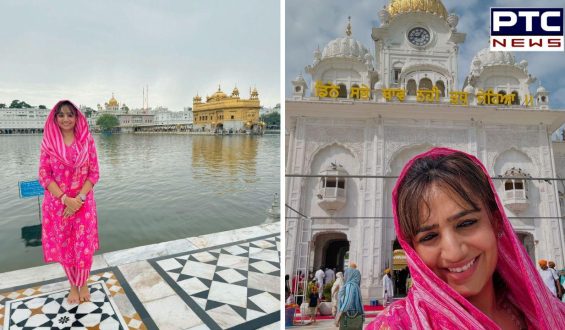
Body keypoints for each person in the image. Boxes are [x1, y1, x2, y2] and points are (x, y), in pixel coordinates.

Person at [367, 147, 565, 329]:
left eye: (466, 223)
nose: (454, 252)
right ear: (412, 249)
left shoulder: (552, 314)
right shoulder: (398, 325)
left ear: (495, 222)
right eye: (429, 236)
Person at [38, 100, 100, 305]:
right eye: (61, 115)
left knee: (83, 246)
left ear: (77, 117)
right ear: (55, 118)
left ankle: (83, 283)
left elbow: (94, 173)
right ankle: (73, 285)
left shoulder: (86, 141)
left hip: (83, 202)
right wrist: (66, 200)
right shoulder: (48, 142)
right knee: (65, 246)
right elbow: (44, 176)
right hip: (58, 204)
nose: (66, 119)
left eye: (70, 115)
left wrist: (79, 199)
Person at [335, 262, 364, 329]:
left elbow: (347, 301)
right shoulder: (355, 286)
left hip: (349, 315)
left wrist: (338, 316)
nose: (345, 276)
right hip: (355, 314)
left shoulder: (351, 286)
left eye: (346, 274)